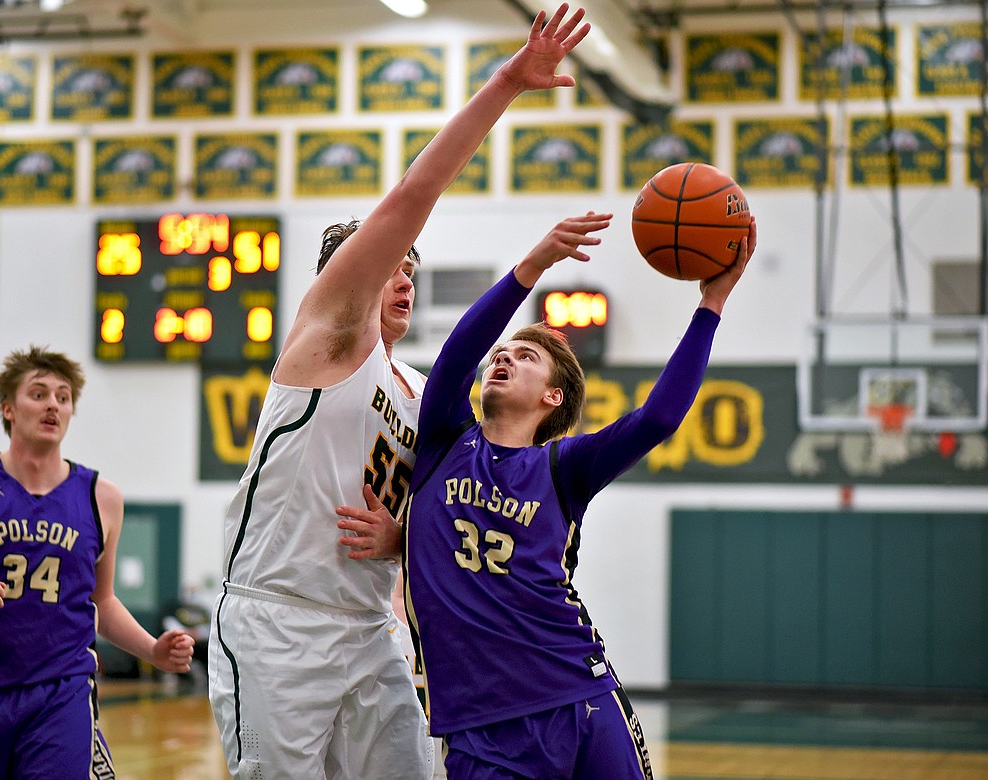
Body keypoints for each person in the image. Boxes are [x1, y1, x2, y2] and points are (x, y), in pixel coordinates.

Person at [206, 6, 591, 778]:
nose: (405, 278)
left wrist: (404, 539)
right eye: (392, 266)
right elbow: (414, 193)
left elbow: (449, 510)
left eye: (415, 270)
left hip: (369, 627)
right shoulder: (330, 337)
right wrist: (507, 84)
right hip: (279, 620)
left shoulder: (422, 392)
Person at [340, 212, 756, 778]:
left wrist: (712, 302)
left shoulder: (564, 467)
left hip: (580, 696)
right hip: (480, 724)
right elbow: (462, 352)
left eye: (526, 357)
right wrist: (532, 266)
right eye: (503, 353)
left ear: (553, 398)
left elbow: (658, 417)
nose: (504, 357)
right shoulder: (444, 441)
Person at [0, 345, 194, 779]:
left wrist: (152, 649)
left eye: (63, 397)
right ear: (8, 407)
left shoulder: (102, 497)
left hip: (61, 695)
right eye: (38, 393)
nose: (53, 405)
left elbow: (103, 602)